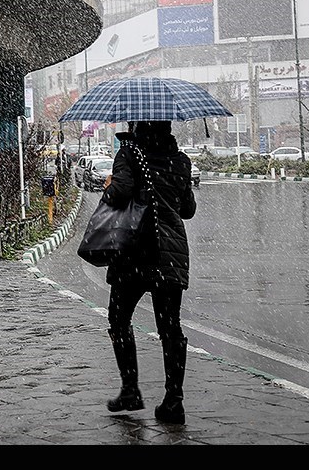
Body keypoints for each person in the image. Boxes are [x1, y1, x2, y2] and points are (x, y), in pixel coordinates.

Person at [100, 121, 197, 424]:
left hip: (135, 252)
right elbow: (187, 210)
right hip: (170, 253)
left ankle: (130, 390)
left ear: (137, 124)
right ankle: (174, 401)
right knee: (170, 328)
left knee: (119, 320)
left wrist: (109, 188)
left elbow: (119, 194)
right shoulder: (180, 160)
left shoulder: (129, 154)